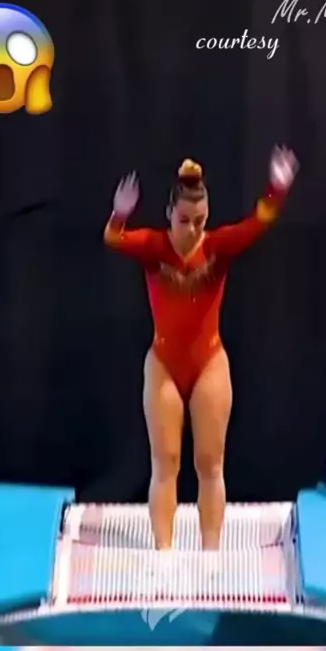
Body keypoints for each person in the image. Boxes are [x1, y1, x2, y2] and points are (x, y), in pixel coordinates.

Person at [104, 147, 299, 552]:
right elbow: (113, 238)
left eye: (200, 221)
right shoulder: (154, 247)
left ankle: (211, 555)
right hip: (164, 364)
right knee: (166, 463)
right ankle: (163, 555)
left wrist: (277, 188)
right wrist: (119, 213)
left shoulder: (217, 247)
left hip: (209, 361)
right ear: (168, 215)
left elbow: (259, 221)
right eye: (184, 220)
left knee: (210, 464)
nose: (192, 229)